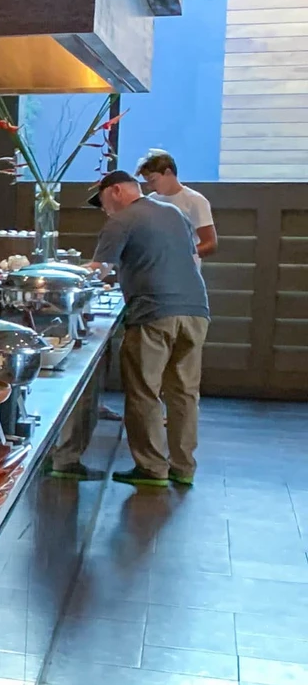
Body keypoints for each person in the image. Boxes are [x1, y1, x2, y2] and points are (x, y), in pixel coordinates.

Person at [77, 169, 211, 489]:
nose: (104, 209)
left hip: (153, 313)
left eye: (103, 201)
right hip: (196, 310)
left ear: (117, 192)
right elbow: (189, 257)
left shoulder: (121, 220)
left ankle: (152, 468)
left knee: (144, 392)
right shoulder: (174, 213)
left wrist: (62, 273)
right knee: (184, 394)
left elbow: (98, 270)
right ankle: (183, 467)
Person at [136, 149, 217, 259]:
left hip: (185, 270)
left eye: (153, 180)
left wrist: (181, 255)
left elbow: (210, 244)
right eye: (147, 182)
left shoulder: (195, 200)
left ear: (168, 172)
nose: (150, 186)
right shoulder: (151, 200)